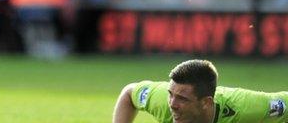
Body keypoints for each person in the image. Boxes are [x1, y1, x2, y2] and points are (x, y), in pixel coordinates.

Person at [112, 59, 288, 123]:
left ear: (206, 102)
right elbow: (129, 93)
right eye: (171, 94)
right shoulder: (161, 102)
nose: (173, 104)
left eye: (182, 98)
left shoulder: (244, 106)